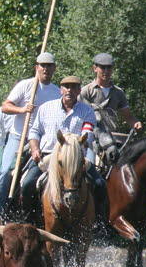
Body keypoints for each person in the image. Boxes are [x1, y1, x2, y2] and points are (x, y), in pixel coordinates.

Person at [0, 53, 62, 223]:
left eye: (49, 65)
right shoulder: (25, 86)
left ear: (54, 68)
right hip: (19, 137)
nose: (45, 69)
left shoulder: (56, 91)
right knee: (6, 174)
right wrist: (23, 110)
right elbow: (5, 107)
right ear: (36, 67)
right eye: (42, 65)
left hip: (42, 140)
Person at [21, 75, 105, 213]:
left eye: (73, 87)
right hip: (47, 156)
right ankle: (28, 219)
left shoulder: (87, 111)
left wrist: (75, 146)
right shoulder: (45, 108)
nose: (69, 91)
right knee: (27, 184)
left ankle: (101, 225)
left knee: (99, 184)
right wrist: (35, 149)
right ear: (60, 90)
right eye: (66, 87)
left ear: (79, 91)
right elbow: (34, 132)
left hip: (76, 159)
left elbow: (87, 136)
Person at [80, 52, 143, 167]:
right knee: (90, 169)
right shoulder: (86, 91)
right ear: (95, 68)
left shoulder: (118, 93)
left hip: (113, 140)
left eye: (109, 67)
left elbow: (128, 116)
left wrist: (135, 123)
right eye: (102, 67)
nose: (106, 71)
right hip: (93, 140)